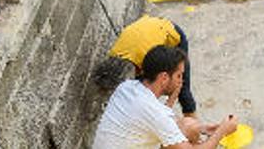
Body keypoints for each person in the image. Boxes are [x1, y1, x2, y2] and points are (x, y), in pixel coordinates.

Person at [92, 45, 239, 149]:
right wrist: (221, 132)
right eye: (178, 75)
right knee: (189, 131)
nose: (181, 81)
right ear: (163, 78)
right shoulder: (155, 113)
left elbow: (155, 120)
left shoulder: (127, 87)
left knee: (188, 125)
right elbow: (158, 118)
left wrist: (207, 129)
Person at [94, 15, 197, 116]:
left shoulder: (147, 58)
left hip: (172, 34)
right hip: (148, 28)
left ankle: (193, 121)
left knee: (182, 87)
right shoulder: (115, 53)